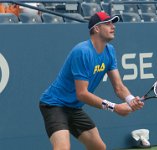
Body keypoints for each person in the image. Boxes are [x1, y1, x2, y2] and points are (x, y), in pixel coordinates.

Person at [39, 11, 144, 150]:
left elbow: (119, 87)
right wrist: (115, 107)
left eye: (113, 23)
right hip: (54, 104)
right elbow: (82, 94)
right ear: (96, 28)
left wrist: (130, 100)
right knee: (63, 147)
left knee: (98, 147)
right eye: (108, 23)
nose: (113, 26)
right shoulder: (82, 51)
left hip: (74, 108)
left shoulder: (109, 51)